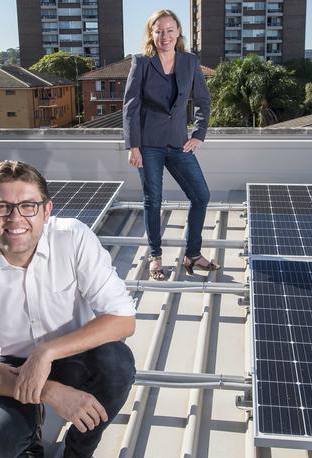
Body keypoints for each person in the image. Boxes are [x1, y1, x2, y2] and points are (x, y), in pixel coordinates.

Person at [0, 160, 136, 458]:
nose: (16, 218)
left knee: (117, 366)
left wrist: (46, 352)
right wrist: (49, 391)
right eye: (2, 206)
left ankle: (78, 455)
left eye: (28, 205)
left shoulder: (73, 238)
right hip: (10, 365)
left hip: (70, 353)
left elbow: (122, 319)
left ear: (46, 211)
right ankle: (29, 431)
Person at [123, 9, 220, 280]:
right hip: (148, 144)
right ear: (151, 34)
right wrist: (133, 146)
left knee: (201, 196)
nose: (164, 36)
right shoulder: (141, 62)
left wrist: (199, 134)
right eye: (158, 31)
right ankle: (155, 257)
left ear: (178, 32)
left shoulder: (190, 62)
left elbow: (203, 100)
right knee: (153, 201)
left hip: (178, 143)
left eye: (169, 30)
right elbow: (131, 107)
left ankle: (192, 253)